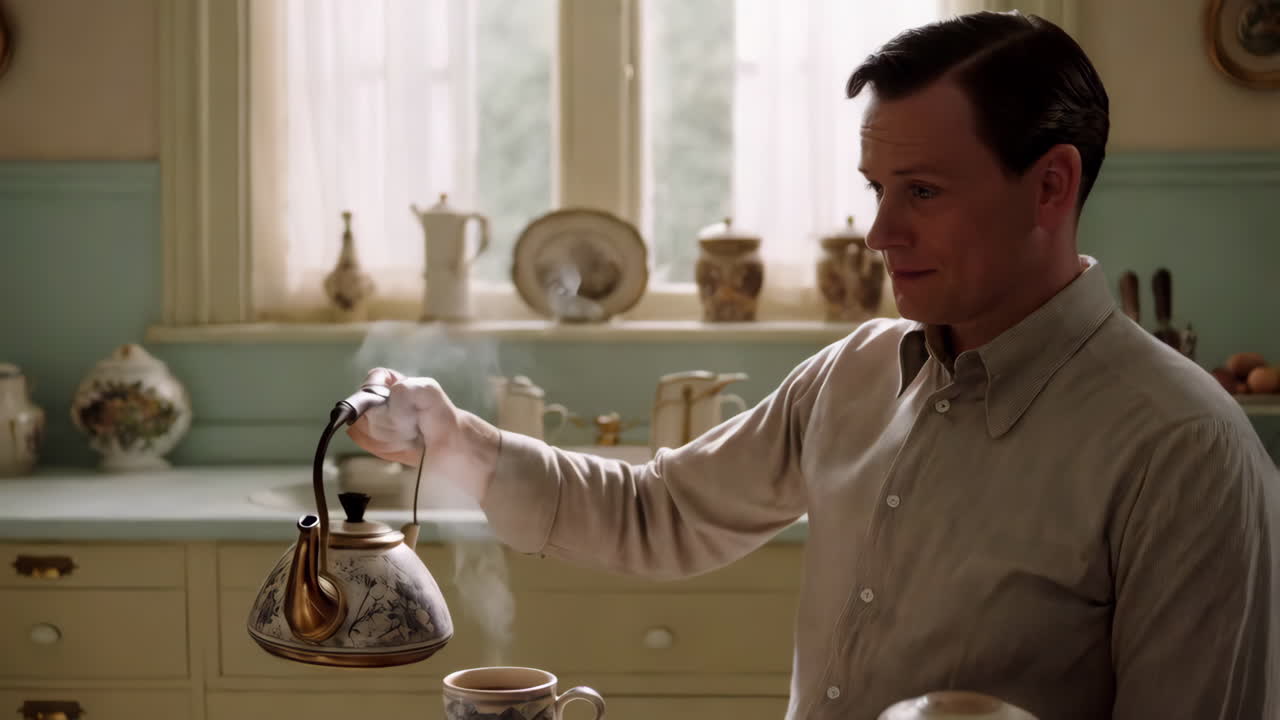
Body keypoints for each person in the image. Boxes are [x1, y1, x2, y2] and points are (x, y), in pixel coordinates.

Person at [349, 10, 1279, 719]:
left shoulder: (1183, 450)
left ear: (1051, 184)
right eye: (877, 189)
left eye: (922, 192)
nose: (879, 232)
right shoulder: (856, 374)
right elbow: (658, 511)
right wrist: (453, 439)